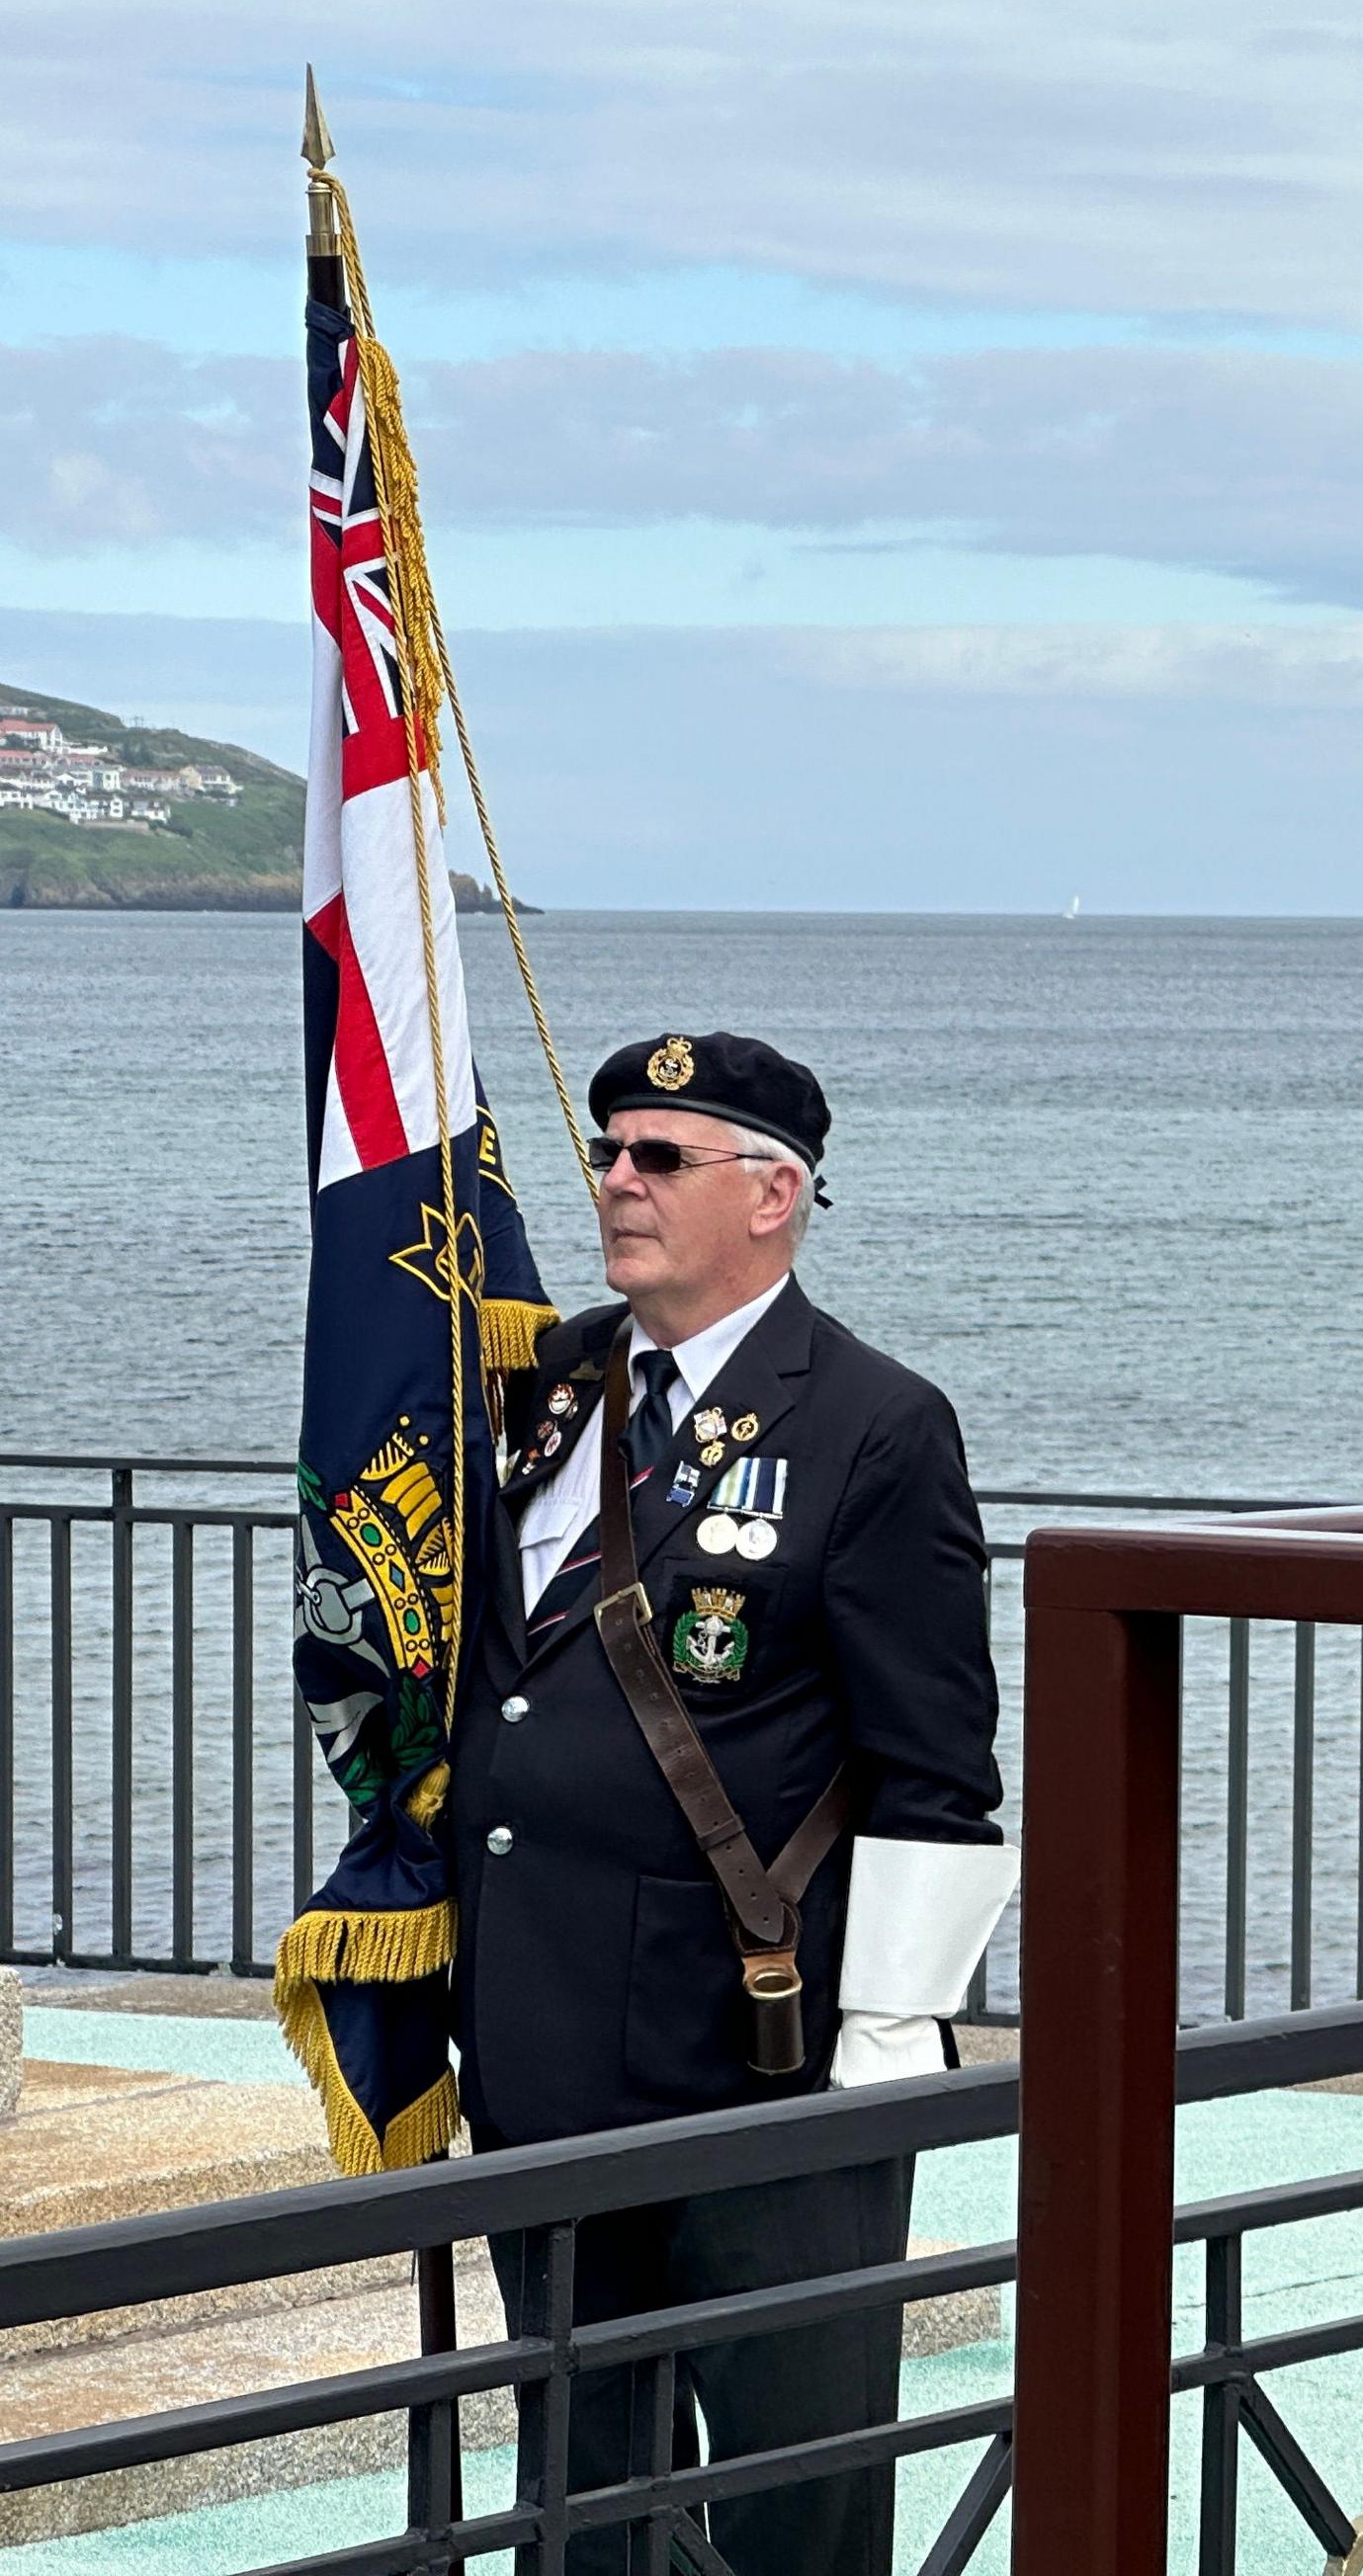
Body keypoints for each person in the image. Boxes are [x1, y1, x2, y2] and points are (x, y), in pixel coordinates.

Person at [452, 1031, 1016, 2576]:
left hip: (754, 2051)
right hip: (545, 2035)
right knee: (580, 2482)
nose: (615, 1184)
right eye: (609, 1153)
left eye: (658, 1158)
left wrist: (895, 2032)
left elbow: (939, 1762)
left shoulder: (872, 1425)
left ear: (772, 1196)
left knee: (796, 2487)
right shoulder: (550, 1384)